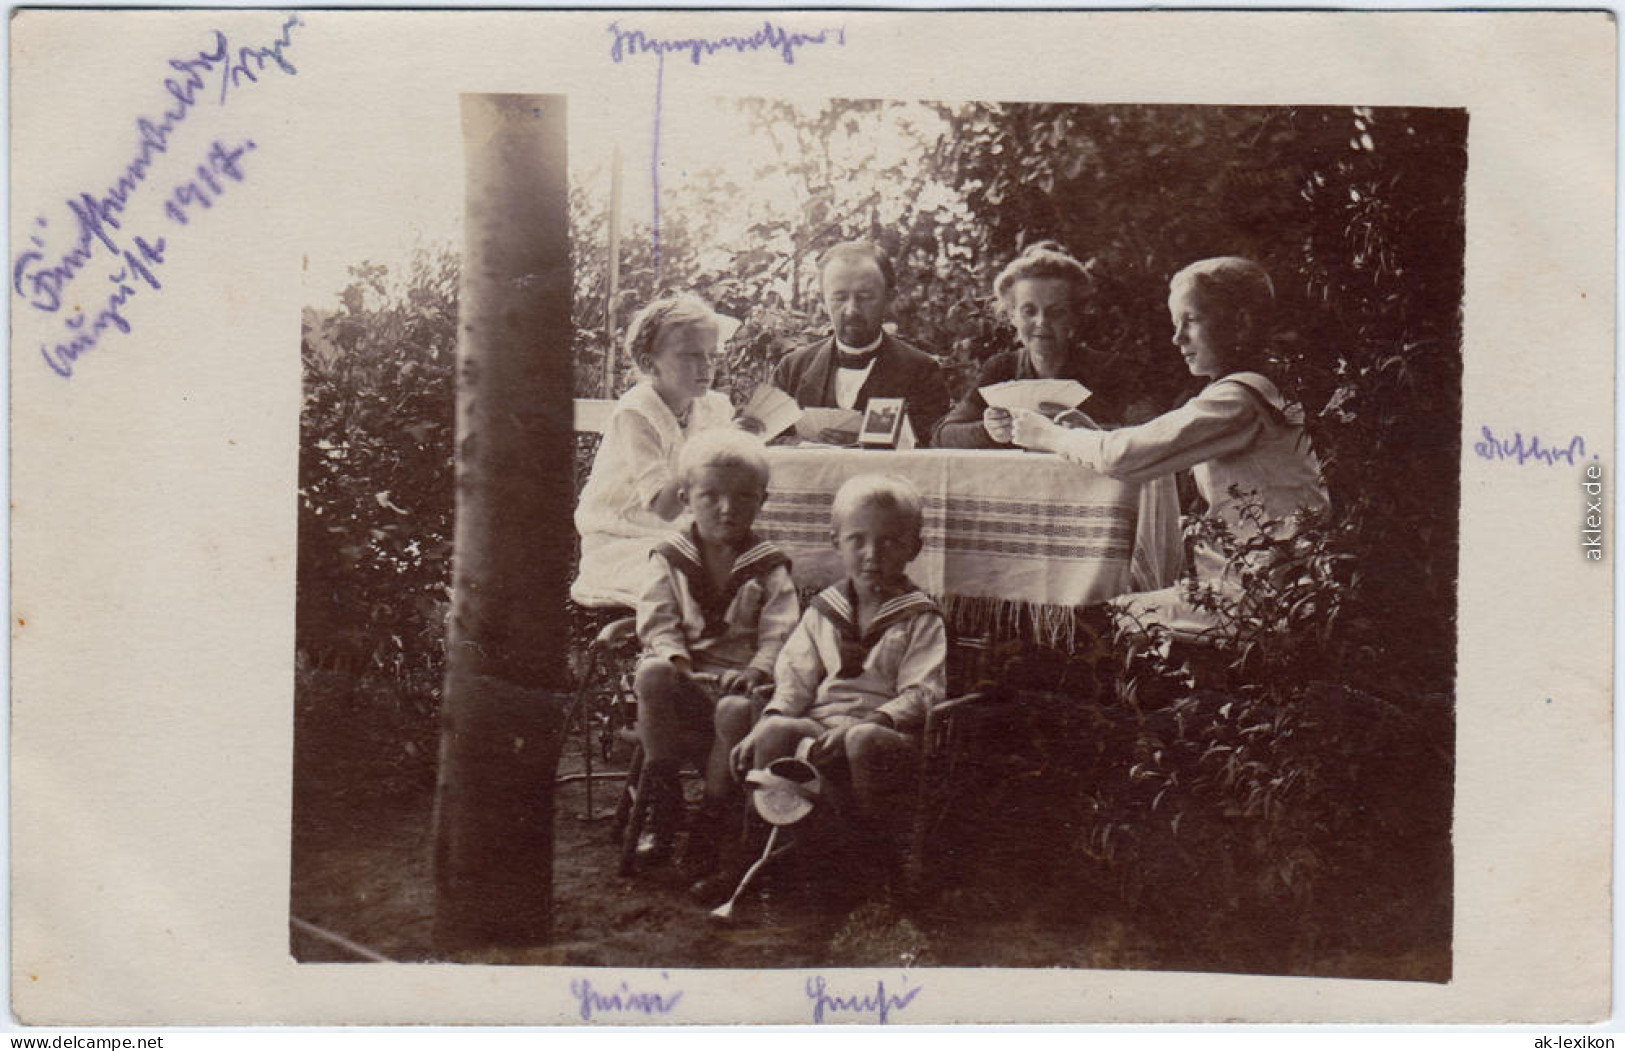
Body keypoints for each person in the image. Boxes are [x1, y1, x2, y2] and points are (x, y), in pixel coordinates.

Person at [1010, 256, 1330, 641]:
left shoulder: (1238, 400)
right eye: (1176, 324)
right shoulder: (1255, 388)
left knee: (1091, 618)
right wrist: (1092, 436)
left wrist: (1049, 437)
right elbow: (1150, 455)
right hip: (1274, 583)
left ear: (1241, 323)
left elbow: (1125, 457)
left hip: (1261, 598)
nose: (1178, 338)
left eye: (1191, 321)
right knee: (1103, 607)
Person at [730, 473, 946, 891]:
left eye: (890, 542)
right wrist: (769, 720)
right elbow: (793, 680)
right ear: (836, 542)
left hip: (885, 735)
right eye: (857, 540)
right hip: (821, 726)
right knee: (776, 729)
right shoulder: (824, 611)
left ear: (913, 548)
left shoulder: (920, 617)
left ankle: (868, 864)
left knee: (860, 739)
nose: (872, 555)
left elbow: (922, 693)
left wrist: (868, 722)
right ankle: (759, 855)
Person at [631, 428, 800, 869]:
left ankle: (711, 815)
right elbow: (657, 620)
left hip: (742, 691)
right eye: (711, 496)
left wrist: (758, 670)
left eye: (744, 497)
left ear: (762, 500)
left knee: (730, 711)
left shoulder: (768, 566)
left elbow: (780, 632)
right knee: (651, 672)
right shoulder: (670, 557)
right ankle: (663, 805)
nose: (728, 509)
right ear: (686, 497)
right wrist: (678, 661)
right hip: (684, 685)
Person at [572, 293, 738, 609]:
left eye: (711, 356)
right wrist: (705, 452)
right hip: (622, 540)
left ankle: (724, 647)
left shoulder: (713, 407)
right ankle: (666, 646)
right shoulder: (638, 413)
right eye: (690, 356)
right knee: (680, 576)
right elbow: (665, 507)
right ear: (650, 364)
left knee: (751, 564)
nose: (705, 367)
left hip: (683, 537)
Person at [933, 241, 1126, 448]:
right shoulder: (1002, 369)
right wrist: (989, 431)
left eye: (1056, 312)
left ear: (1074, 316)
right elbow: (942, 435)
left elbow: (1149, 435)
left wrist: (1095, 434)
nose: (1041, 322)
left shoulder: (1108, 370)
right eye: (1029, 311)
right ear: (1011, 316)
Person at [772, 241, 951, 445]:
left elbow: (933, 451)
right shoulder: (792, 369)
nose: (851, 310)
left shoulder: (922, 372)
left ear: (889, 298)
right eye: (839, 298)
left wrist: (871, 444)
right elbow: (766, 444)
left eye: (865, 297)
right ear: (822, 302)